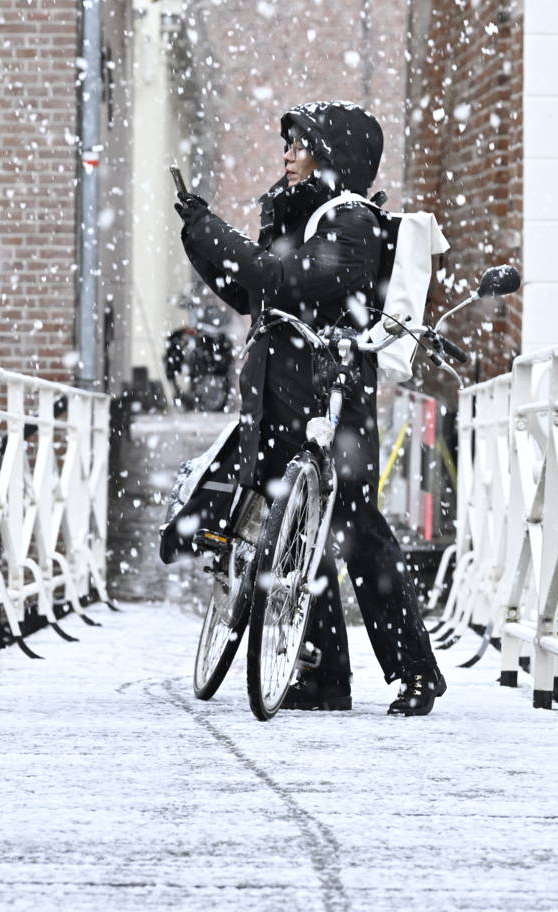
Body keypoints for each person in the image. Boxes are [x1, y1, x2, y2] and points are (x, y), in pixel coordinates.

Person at [175, 100, 447, 716]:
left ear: (333, 156)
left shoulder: (351, 222)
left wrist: (210, 229)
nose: (288, 155)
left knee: (357, 534)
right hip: (279, 396)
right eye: (288, 144)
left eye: (301, 145)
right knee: (300, 535)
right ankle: (323, 676)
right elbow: (248, 291)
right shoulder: (295, 213)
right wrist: (198, 236)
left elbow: (282, 277)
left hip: (332, 398)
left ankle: (416, 671)